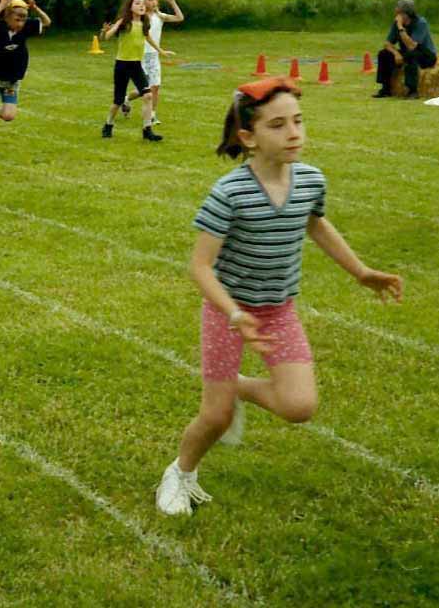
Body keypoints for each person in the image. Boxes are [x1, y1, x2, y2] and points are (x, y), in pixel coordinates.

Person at [154, 77, 404, 516]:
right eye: (278, 125)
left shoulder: (310, 181)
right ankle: (181, 473)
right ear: (248, 138)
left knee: (299, 406)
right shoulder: (229, 193)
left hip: (278, 310)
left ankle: (239, 390)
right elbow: (200, 266)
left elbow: (316, 225)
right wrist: (233, 313)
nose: (294, 133)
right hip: (227, 312)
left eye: (298, 122)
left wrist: (361, 271)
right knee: (215, 417)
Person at [0, 0, 51, 157]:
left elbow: (46, 22)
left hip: (12, 80)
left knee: (8, 116)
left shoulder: (26, 27)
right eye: (17, 19)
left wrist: (35, 8)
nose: (20, 23)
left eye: (23, 19)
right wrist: (0, 7)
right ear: (7, 16)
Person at [100, 0, 170, 142]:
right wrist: (106, 31)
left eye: (142, 4)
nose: (142, 6)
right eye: (137, 3)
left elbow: (148, 38)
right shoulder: (124, 22)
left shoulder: (144, 23)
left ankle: (147, 130)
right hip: (122, 65)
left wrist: (161, 51)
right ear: (130, 7)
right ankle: (108, 124)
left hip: (136, 65)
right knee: (117, 101)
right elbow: (107, 37)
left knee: (148, 95)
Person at [125, 0, 183, 124]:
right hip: (140, 56)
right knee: (143, 89)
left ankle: (152, 115)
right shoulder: (140, 17)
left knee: (155, 87)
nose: (153, 2)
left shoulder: (160, 16)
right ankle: (126, 99)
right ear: (144, 1)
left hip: (154, 56)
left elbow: (180, 18)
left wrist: (172, 1)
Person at [374, 0, 436, 98]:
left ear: (405, 13)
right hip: (407, 52)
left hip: (426, 54)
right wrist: (396, 54)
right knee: (383, 54)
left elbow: (412, 46)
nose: (396, 12)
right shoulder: (396, 23)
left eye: (398, 11)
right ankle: (386, 88)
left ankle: (413, 91)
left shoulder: (421, 23)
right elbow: (387, 43)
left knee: (411, 56)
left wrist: (400, 28)